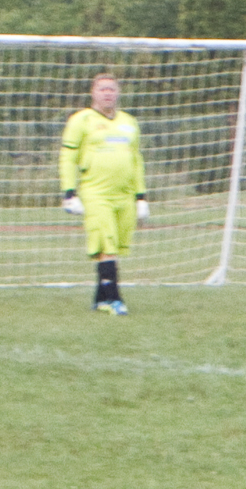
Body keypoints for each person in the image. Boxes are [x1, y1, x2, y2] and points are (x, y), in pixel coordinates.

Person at [59, 71, 146, 315]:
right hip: (96, 192)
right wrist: (69, 192)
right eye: (102, 89)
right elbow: (68, 157)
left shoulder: (129, 122)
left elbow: (136, 159)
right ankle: (114, 299)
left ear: (118, 92)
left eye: (112, 89)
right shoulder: (81, 120)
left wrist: (141, 196)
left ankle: (99, 298)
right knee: (106, 242)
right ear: (93, 93)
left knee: (115, 245)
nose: (108, 93)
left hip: (125, 194)